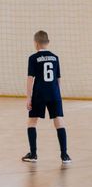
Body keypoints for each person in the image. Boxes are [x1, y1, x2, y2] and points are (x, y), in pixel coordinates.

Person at [22, 31, 71, 164]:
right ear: (48, 42)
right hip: (54, 93)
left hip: (39, 93)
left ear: (35, 43)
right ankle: (64, 155)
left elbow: (30, 79)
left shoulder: (33, 58)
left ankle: (33, 154)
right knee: (59, 120)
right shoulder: (55, 57)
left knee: (32, 122)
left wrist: (28, 98)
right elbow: (58, 78)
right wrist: (58, 96)